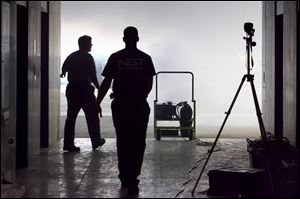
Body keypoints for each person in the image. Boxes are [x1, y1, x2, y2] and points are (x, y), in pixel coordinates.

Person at [96, 26, 156, 194]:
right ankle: (133, 177)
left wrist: (97, 102)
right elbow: (149, 83)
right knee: (138, 142)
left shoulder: (116, 57)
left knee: (123, 141)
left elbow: (106, 82)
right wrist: (139, 96)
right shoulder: (145, 58)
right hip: (139, 105)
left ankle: (124, 176)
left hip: (121, 105)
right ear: (137, 39)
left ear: (124, 39)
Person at [60, 35, 105, 152]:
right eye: (90, 43)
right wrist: (99, 88)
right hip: (85, 90)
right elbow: (93, 75)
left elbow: (64, 68)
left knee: (71, 118)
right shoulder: (88, 57)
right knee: (92, 116)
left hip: (72, 90)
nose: (91, 45)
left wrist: (64, 72)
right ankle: (96, 141)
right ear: (85, 44)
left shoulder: (72, 56)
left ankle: (68, 144)